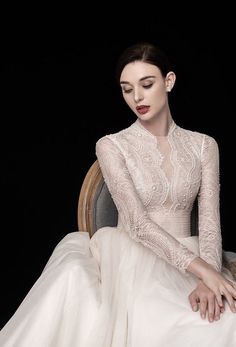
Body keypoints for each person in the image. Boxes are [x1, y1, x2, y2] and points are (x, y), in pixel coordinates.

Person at [1, 42, 236, 347]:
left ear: (169, 81)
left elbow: (209, 220)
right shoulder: (112, 145)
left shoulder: (204, 145)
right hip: (132, 257)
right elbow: (137, 224)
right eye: (127, 89)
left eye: (146, 84)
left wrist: (210, 276)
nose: (137, 96)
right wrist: (204, 270)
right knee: (162, 322)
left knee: (226, 317)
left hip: (193, 258)